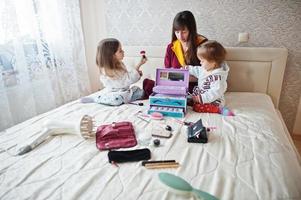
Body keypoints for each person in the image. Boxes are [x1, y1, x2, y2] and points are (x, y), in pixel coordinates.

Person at [81, 38, 147, 106]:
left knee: (139, 92)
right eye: (120, 51)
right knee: (117, 100)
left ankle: (99, 98)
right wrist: (136, 73)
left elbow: (126, 78)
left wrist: (139, 66)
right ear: (112, 55)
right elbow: (126, 81)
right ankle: (96, 99)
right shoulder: (106, 69)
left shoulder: (120, 64)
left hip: (121, 91)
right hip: (115, 92)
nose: (123, 52)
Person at [187, 40, 229, 113]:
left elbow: (215, 93)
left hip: (214, 100)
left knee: (197, 108)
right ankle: (195, 101)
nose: (200, 63)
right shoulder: (204, 69)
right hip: (202, 94)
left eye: (202, 61)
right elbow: (196, 70)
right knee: (188, 99)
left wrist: (201, 98)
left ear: (213, 62)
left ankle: (219, 110)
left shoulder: (218, 77)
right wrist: (187, 68)